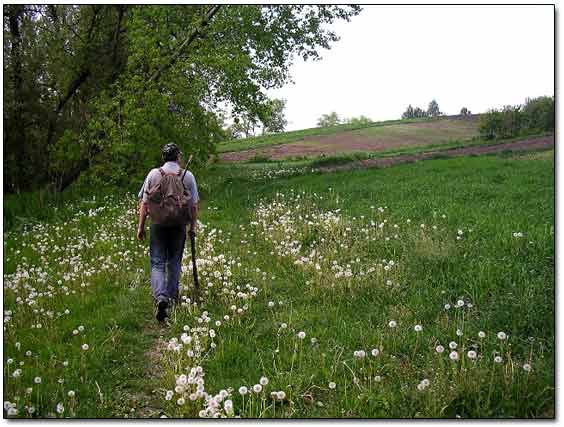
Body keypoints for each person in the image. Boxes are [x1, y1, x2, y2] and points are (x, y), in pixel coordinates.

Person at [136, 143, 199, 322]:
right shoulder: (188, 176)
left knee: (156, 262)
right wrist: (192, 227)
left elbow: (145, 203)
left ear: (163, 157)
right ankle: (171, 297)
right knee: (174, 261)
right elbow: (193, 205)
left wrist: (140, 227)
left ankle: (160, 297)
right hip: (179, 225)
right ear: (178, 156)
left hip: (157, 223)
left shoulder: (153, 174)